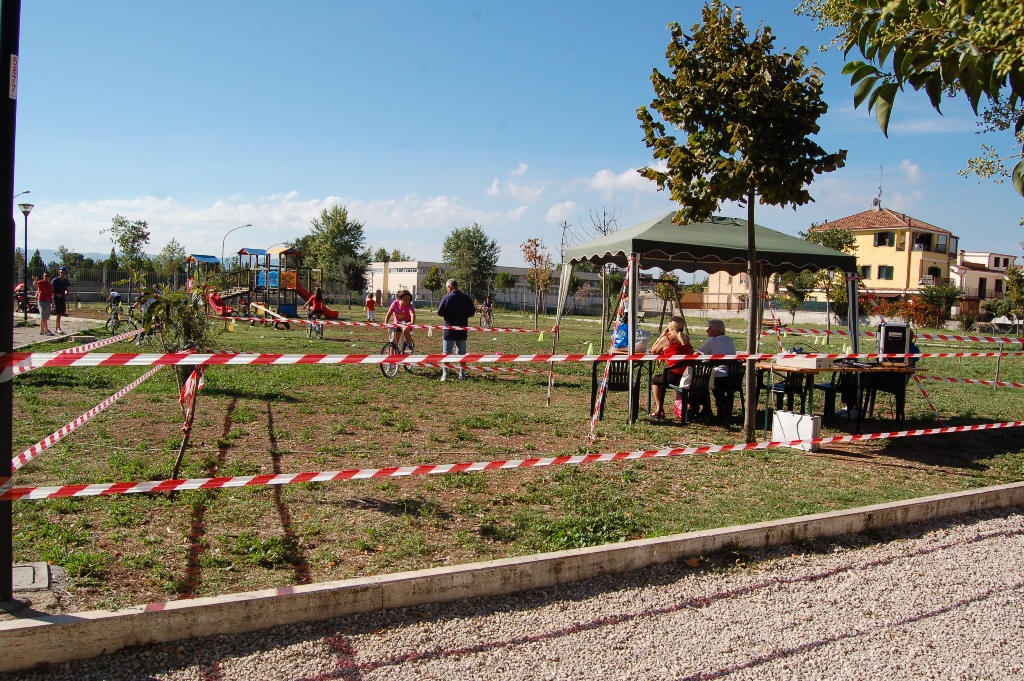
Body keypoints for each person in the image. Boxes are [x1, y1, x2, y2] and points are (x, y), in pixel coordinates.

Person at [648, 316, 694, 419]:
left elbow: (653, 351)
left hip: (674, 376)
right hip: (687, 376)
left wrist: (662, 335)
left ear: (671, 326)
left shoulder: (667, 339)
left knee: (655, 380)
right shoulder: (686, 339)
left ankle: (659, 409)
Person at [436, 278, 475, 381]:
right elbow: (472, 313)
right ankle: (462, 374)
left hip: (449, 330)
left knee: (446, 353)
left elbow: (439, 312)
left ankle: (445, 374)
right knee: (462, 353)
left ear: (449, 287)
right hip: (462, 329)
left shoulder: (447, 297)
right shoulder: (467, 298)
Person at [697, 319, 737, 416]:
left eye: (709, 328)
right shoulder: (729, 340)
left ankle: (706, 408)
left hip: (718, 376)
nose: (707, 331)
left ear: (717, 330)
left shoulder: (712, 340)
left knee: (698, 382)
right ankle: (724, 405)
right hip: (732, 376)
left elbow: (698, 354)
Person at [52, 266, 71, 335]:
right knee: (58, 313)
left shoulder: (66, 281)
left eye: (63, 273)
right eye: (61, 273)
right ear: (58, 272)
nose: (62, 274)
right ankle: (57, 328)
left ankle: (57, 328)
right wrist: (56, 294)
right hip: (57, 299)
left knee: (62, 313)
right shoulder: (55, 281)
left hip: (62, 298)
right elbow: (51, 290)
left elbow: (66, 289)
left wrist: (66, 294)